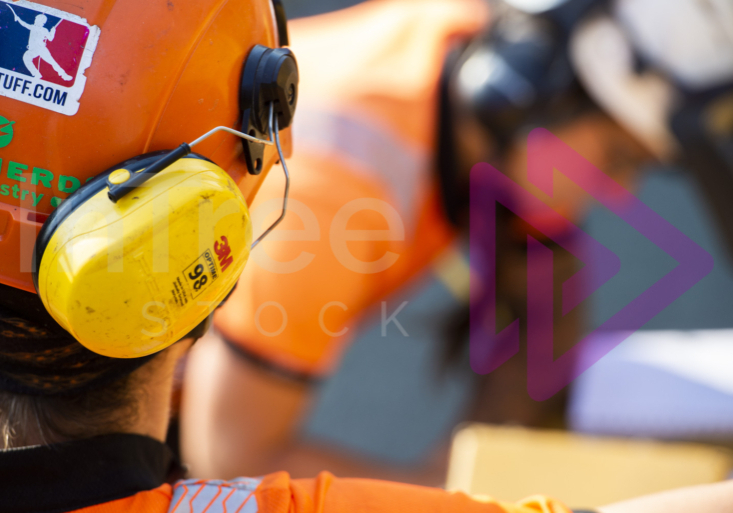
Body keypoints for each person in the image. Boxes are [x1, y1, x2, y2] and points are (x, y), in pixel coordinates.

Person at [180, 0, 654, 482]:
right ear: (518, 93)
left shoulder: (468, 48)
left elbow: (545, 324)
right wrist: (452, 498)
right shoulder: (333, 197)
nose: (622, 191)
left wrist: (480, 473)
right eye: (617, 155)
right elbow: (230, 463)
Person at [9, 8, 72, 81]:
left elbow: (50, 39)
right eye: (35, 19)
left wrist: (53, 31)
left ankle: (64, 75)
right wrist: (18, 19)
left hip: (41, 49)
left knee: (52, 62)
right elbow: (24, 24)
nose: (35, 20)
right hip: (33, 50)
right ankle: (36, 74)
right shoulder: (33, 27)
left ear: (40, 21)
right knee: (26, 57)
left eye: (37, 19)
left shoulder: (43, 30)